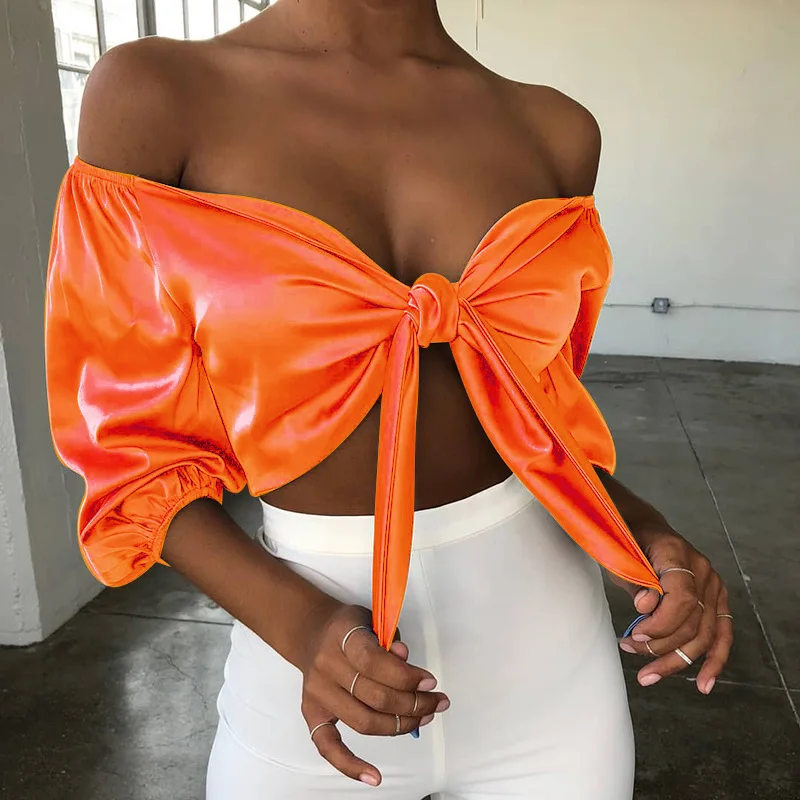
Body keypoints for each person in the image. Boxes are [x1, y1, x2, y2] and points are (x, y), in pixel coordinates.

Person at [45, 1, 733, 798]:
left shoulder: (556, 132)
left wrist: (646, 533)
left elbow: (542, 427)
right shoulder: (156, 96)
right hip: (303, 675)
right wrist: (304, 627)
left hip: (553, 676)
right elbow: (131, 458)